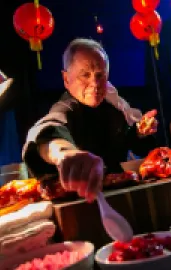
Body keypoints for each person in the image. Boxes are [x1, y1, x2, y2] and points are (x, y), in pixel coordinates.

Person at [22, 38, 158, 203]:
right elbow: (49, 131)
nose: (95, 83)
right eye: (85, 75)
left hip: (121, 195)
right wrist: (64, 153)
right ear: (66, 79)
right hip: (82, 205)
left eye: (100, 75)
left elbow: (125, 142)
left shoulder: (113, 107)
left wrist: (139, 132)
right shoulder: (66, 108)